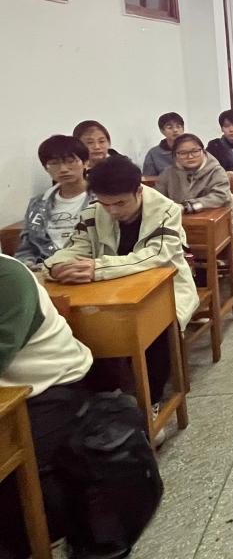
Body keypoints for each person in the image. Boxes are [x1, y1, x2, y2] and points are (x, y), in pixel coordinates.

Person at [44, 157, 199, 440]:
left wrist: (98, 268)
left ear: (138, 191)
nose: (113, 211)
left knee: (158, 328)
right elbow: (75, 247)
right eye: (106, 204)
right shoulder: (94, 211)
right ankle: (107, 400)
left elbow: (156, 256)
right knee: (80, 327)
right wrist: (56, 266)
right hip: (110, 289)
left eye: (120, 203)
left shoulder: (165, 209)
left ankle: (151, 402)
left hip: (164, 287)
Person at [0, 255, 93, 559]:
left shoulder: (8, 277)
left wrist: (98, 267)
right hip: (9, 395)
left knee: (18, 483)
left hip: (50, 388)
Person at [16, 135, 93, 270]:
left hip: (87, 265)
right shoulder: (37, 204)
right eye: (54, 163)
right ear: (46, 168)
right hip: (45, 268)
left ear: (86, 163)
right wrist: (29, 267)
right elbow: (27, 249)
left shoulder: (102, 198)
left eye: (70, 161)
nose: (63, 169)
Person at [156, 134, 233, 235]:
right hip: (177, 224)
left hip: (215, 224)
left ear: (203, 151)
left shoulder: (216, 171)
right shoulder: (168, 173)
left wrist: (188, 207)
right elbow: (157, 199)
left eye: (195, 151)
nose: (190, 156)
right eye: (183, 153)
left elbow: (220, 197)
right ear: (175, 155)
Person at [142, 112, 185, 177]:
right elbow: (148, 178)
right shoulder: (153, 153)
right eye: (170, 127)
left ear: (183, 129)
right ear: (162, 131)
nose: (175, 130)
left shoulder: (193, 149)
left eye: (178, 126)